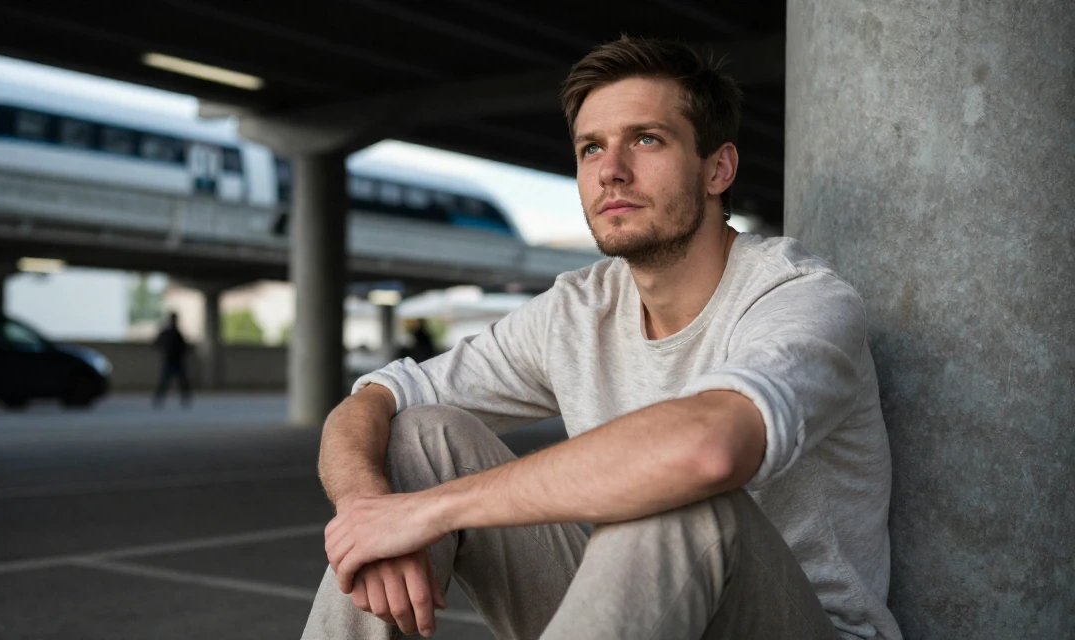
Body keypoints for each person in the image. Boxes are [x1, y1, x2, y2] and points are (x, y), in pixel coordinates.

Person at [303, 36, 901, 640]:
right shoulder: (579, 307)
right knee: (418, 439)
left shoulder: (801, 297)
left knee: (678, 493)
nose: (611, 170)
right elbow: (375, 398)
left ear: (718, 168)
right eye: (592, 148)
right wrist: (366, 512)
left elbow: (706, 449)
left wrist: (429, 512)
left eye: (646, 139)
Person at [152, 312, 191, 408]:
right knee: (165, 381)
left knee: (182, 381)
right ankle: (158, 399)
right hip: (169, 360)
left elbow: (183, 346)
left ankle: (185, 399)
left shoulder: (177, 333)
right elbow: (156, 343)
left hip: (177, 360)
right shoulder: (167, 332)